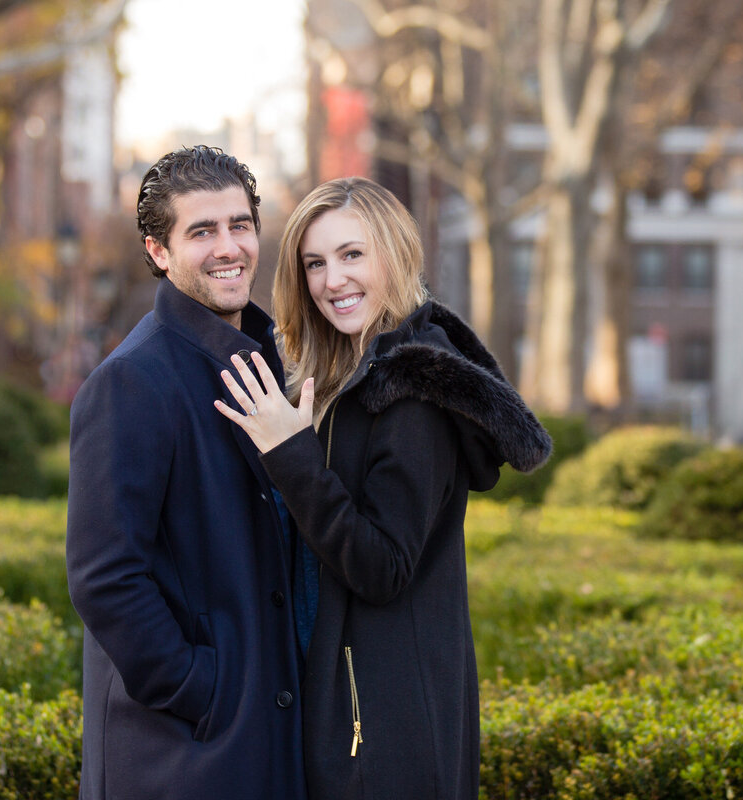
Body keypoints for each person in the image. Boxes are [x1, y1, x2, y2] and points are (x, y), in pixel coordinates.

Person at [214, 177, 552, 800]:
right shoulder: (349, 376)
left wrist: (291, 456)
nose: (332, 280)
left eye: (352, 255)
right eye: (315, 263)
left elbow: (383, 566)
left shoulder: (412, 393)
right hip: (349, 716)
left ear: (393, 254)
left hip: (385, 735)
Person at [66, 146, 307, 800]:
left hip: (265, 745)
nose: (229, 246)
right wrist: (203, 690)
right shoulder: (130, 384)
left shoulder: (271, 370)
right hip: (181, 758)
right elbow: (105, 576)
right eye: (202, 231)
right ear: (159, 252)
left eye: (240, 225)